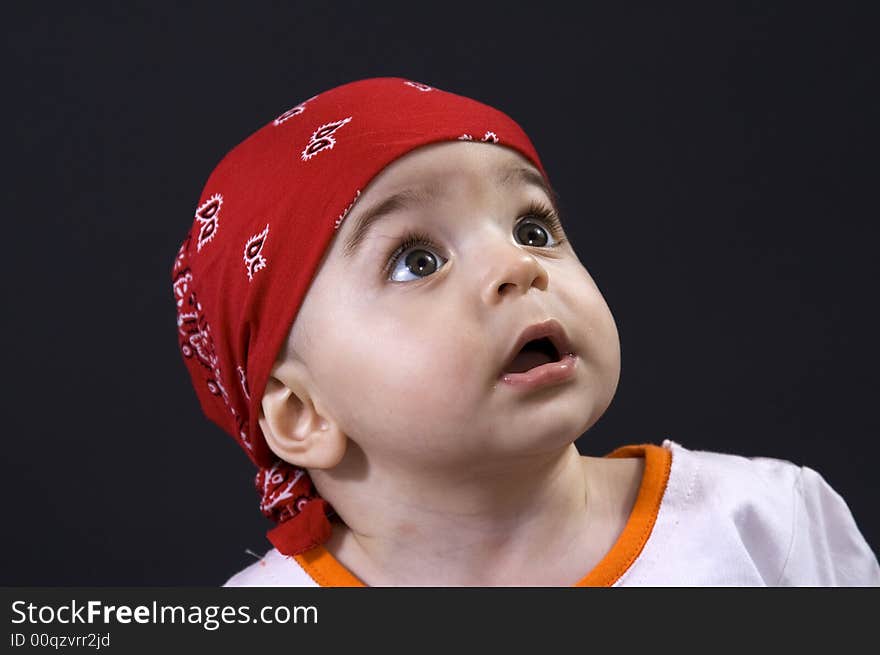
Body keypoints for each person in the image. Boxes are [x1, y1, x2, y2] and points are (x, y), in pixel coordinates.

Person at [170, 77, 879, 586]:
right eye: (417, 260)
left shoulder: (765, 524)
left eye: (533, 227)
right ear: (303, 414)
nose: (517, 265)